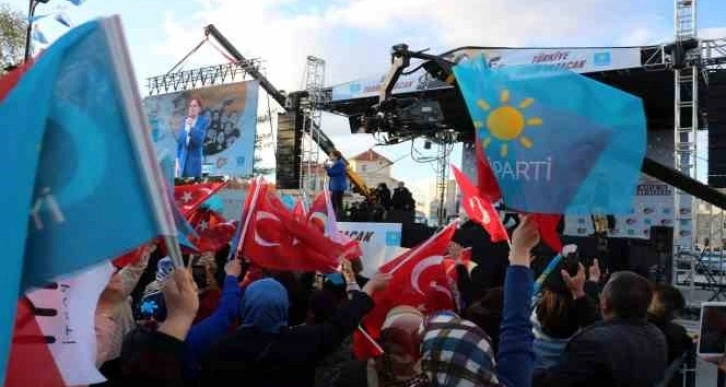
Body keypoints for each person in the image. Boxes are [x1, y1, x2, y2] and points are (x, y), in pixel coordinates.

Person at [199, 272, 389, 387]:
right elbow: (340, 324)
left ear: (246, 305)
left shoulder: (219, 348)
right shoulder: (302, 341)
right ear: (284, 306)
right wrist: (369, 289)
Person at [533, 271, 667, 387]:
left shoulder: (591, 344)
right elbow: (605, 328)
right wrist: (579, 293)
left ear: (604, 303)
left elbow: (553, 383)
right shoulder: (655, 335)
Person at [176, 97, 210, 178]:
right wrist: (177, 159)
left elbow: (199, 140)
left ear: (199, 109)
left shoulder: (203, 122)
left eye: (194, 106)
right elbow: (180, 143)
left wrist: (191, 128)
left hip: (194, 163)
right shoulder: (184, 121)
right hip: (182, 162)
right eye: (190, 106)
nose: (192, 108)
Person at [325, 150, 347, 218]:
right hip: (335, 187)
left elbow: (332, 173)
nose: (330, 156)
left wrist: (327, 167)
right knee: (334, 203)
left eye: (331, 155)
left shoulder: (340, 164)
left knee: (337, 203)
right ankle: (335, 217)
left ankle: (338, 218)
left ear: (336, 157)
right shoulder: (336, 164)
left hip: (338, 187)